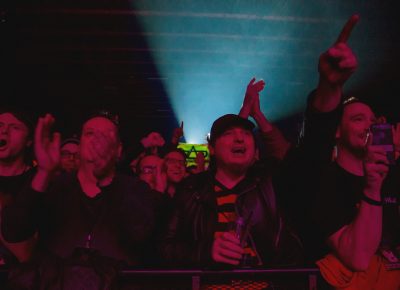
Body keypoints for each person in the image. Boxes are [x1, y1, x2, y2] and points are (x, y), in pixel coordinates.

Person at [1, 111, 158, 287]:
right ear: (80, 144)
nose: (97, 141)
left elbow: (140, 235)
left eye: (106, 135)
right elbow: (14, 231)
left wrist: (105, 180)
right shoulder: (55, 185)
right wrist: (44, 173)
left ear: (119, 149)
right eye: (90, 134)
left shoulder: (135, 188)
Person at [159, 77, 301, 270]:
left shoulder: (267, 183)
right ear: (212, 149)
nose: (240, 139)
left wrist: (257, 114)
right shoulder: (192, 190)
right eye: (229, 134)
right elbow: (165, 249)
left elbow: (284, 156)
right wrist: (207, 252)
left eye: (246, 134)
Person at [0, 107, 37, 265]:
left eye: (14, 127)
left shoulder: (38, 181)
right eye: (0, 125)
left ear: (29, 141)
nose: (4, 131)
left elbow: (27, 252)